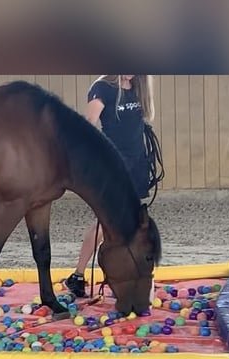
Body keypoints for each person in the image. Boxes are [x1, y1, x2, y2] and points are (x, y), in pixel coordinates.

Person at [64, 74, 163, 299]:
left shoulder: (138, 88)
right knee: (105, 222)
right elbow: (88, 124)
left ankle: (123, 276)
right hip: (114, 167)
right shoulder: (102, 88)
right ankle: (81, 275)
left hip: (137, 165)